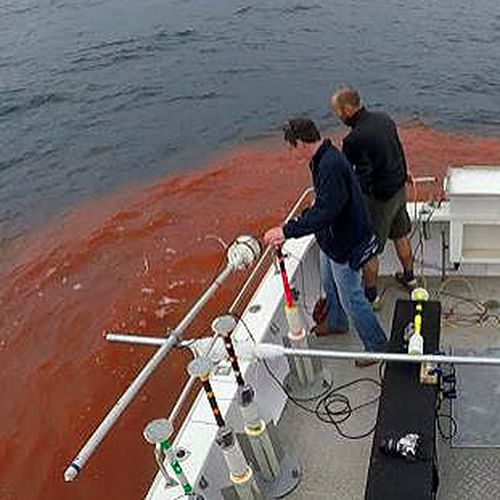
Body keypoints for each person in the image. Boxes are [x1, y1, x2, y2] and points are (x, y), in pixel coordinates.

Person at [264, 118, 386, 364]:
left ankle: (377, 347)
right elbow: (324, 204)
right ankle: (336, 323)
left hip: (345, 243)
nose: (290, 153)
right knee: (329, 285)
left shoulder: (329, 165)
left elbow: (326, 211)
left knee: (351, 299)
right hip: (330, 241)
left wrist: (286, 231)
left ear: (299, 143)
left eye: (291, 147)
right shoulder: (321, 159)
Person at [331, 87, 416, 307]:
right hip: (399, 189)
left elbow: (349, 175)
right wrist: (404, 173)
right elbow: (398, 150)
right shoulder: (384, 119)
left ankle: (371, 296)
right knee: (401, 234)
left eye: (338, 112)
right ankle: (409, 278)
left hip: (380, 199)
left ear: (348, 108)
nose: (338, 117)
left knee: (369, 249)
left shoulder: (353, 139)